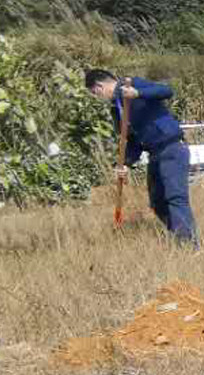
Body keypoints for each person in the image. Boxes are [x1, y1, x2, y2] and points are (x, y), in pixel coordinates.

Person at [84, 68, 197, 246]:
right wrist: (126, 164)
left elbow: (166, 91)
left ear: (99, 86)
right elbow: (133, 141)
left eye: (94, 93)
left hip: (172, 147)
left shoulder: (132, 84)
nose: (97, 97)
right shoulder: (116, 110)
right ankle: (179, 236)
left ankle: (188, 245)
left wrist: (138, 93)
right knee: (157, 202)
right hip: (154, 154)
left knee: (175, 197)